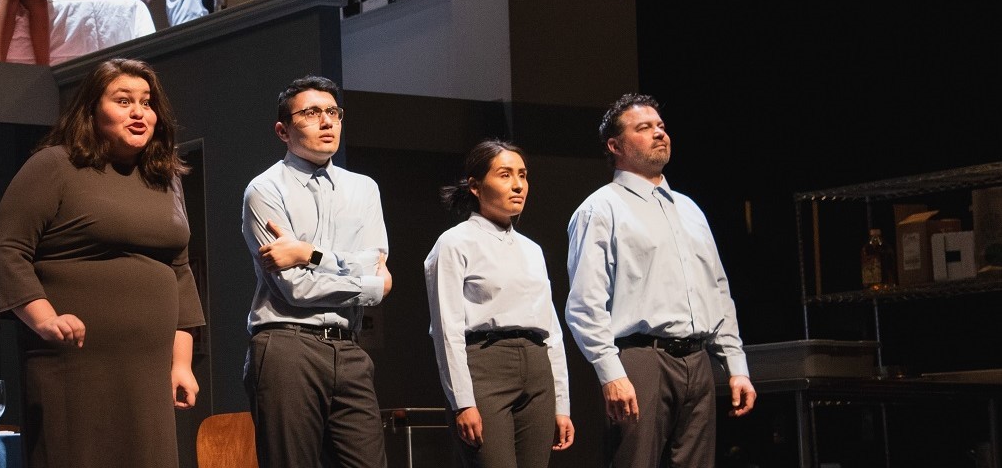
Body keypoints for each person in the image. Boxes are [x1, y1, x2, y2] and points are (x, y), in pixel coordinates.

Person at [0, 58, 205, 467]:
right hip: (73, 365)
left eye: (146, 103)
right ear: (92, 110)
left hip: (148, 370)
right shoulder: (54, 166)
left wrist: (181, 363)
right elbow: (8, 252)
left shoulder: (165, 177)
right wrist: (44, 319)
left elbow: (179, 271)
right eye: (123, 100)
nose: (138, 112)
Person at [564, 94, 756, 468]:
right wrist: (610, 373)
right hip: (640, 361)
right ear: (615, 146)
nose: (658, 134)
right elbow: (585, 304)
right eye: (644, 128)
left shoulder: (689, 208)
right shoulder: (601, 209)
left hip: (698, 361)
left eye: (661, 127)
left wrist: (736, 365)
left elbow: (717, 291)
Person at [240, 76, 391, 468]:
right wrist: (359, 275)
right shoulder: (265, 190)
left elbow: (380, 278)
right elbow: (296, 288)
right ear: (283, 130)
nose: (326, 121)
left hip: (350, 347)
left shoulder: (364, 189)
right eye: (311, 113)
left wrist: (309, 253)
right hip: (288, 345)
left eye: (333, 112)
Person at [426, 140, 574, 468]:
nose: (518, 185)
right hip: (486, 367)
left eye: (522, 175)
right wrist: (462, 401)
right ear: (476, 187)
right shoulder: (454, 243)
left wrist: (561, 404)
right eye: (505, 175)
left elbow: (551, 330)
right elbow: (446, 329)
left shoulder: (532, 250)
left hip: (537, 371)